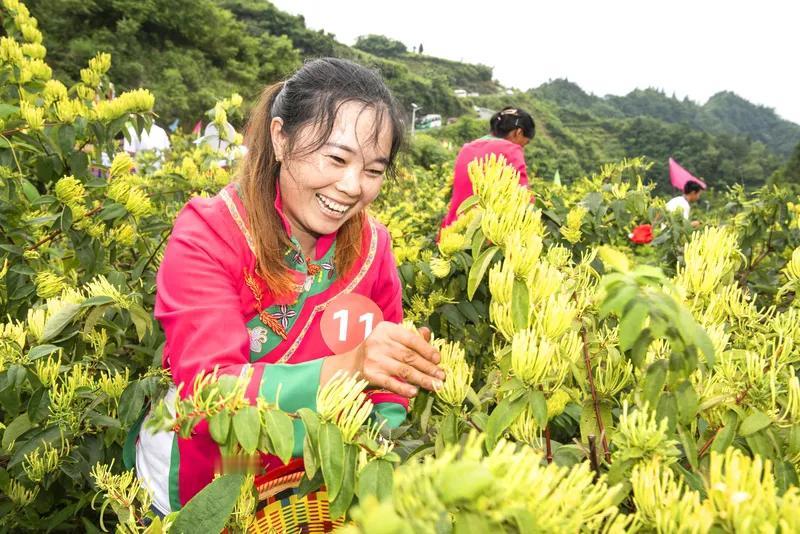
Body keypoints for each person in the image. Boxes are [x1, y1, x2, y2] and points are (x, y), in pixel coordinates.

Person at [129, 58, 445, 519]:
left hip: (311, 491)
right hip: (202, 482)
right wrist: (352, 366)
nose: (352, 186)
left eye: (374, 170)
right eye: (336, 158)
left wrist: (372, 444)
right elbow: (209, 392)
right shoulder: (209, 233)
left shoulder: (373, 247)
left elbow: (388, 377)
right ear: (281, 138)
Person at [440, 107, 535, 229]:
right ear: (518, 132)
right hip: (482, 237)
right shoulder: (511, 150)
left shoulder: (466, 148)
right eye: (525, 143)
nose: (523, 148)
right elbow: (524, 199)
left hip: (451, 231)